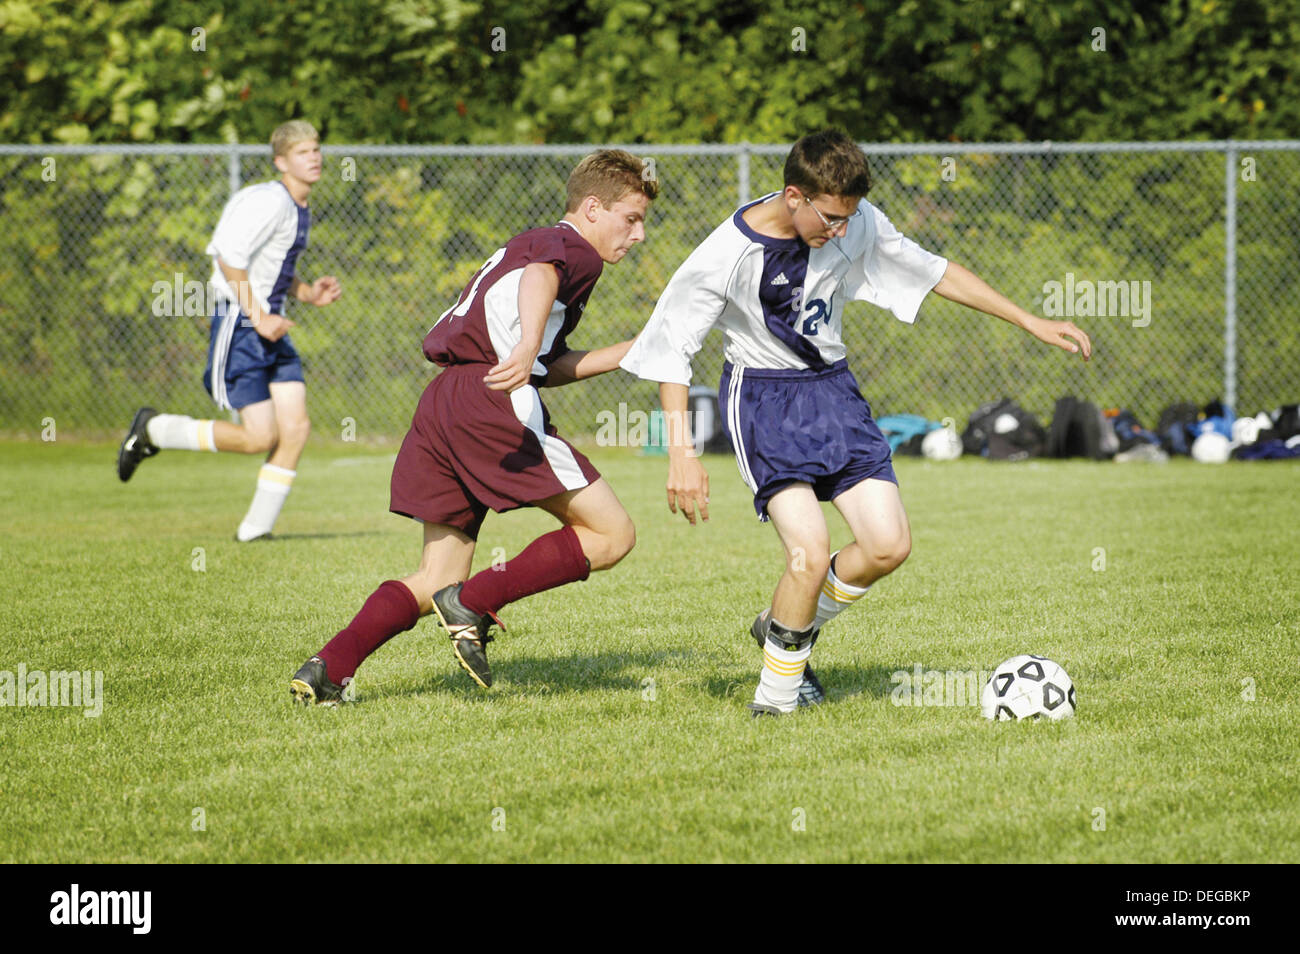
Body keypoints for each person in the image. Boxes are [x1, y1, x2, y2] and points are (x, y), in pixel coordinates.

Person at [620, 129, 1091, 717]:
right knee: (808, 556)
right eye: (832, 217)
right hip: (764, 403)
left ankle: (780, 624)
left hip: (835, 395)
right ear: (794, 195)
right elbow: (670, 348)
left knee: (888, 545)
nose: (842, 230)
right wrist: (681, 454)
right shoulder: (726, 253)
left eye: (849, 216)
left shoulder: (857, 219)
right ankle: (775, 704)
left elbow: (935, 271)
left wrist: (1030, 320)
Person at [289, 149, 658, 705]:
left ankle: (328, 667)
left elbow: (540, 362)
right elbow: (541, 283)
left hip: (446, 400)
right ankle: (477, 600)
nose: (639, 234)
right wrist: (530, 341)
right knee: (612, 535)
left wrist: (626, 352)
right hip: (491, 404)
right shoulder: (574, 252)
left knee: (436, 577)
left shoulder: (530, 242)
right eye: (631, 218)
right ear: (591, 208)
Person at [117, 120, 341, 542]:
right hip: (242, 326)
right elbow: (227, 259)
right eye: (302, 152)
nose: (313, 157)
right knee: (259, 437)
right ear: (280, 161)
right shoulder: (271, 201)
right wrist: (259, 317)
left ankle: (255, 530)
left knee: (295, 428)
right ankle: (155, 430)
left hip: (270, 326)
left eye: (315, 149)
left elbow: (269, 269)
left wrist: (308, 292)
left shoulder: (300, 206)